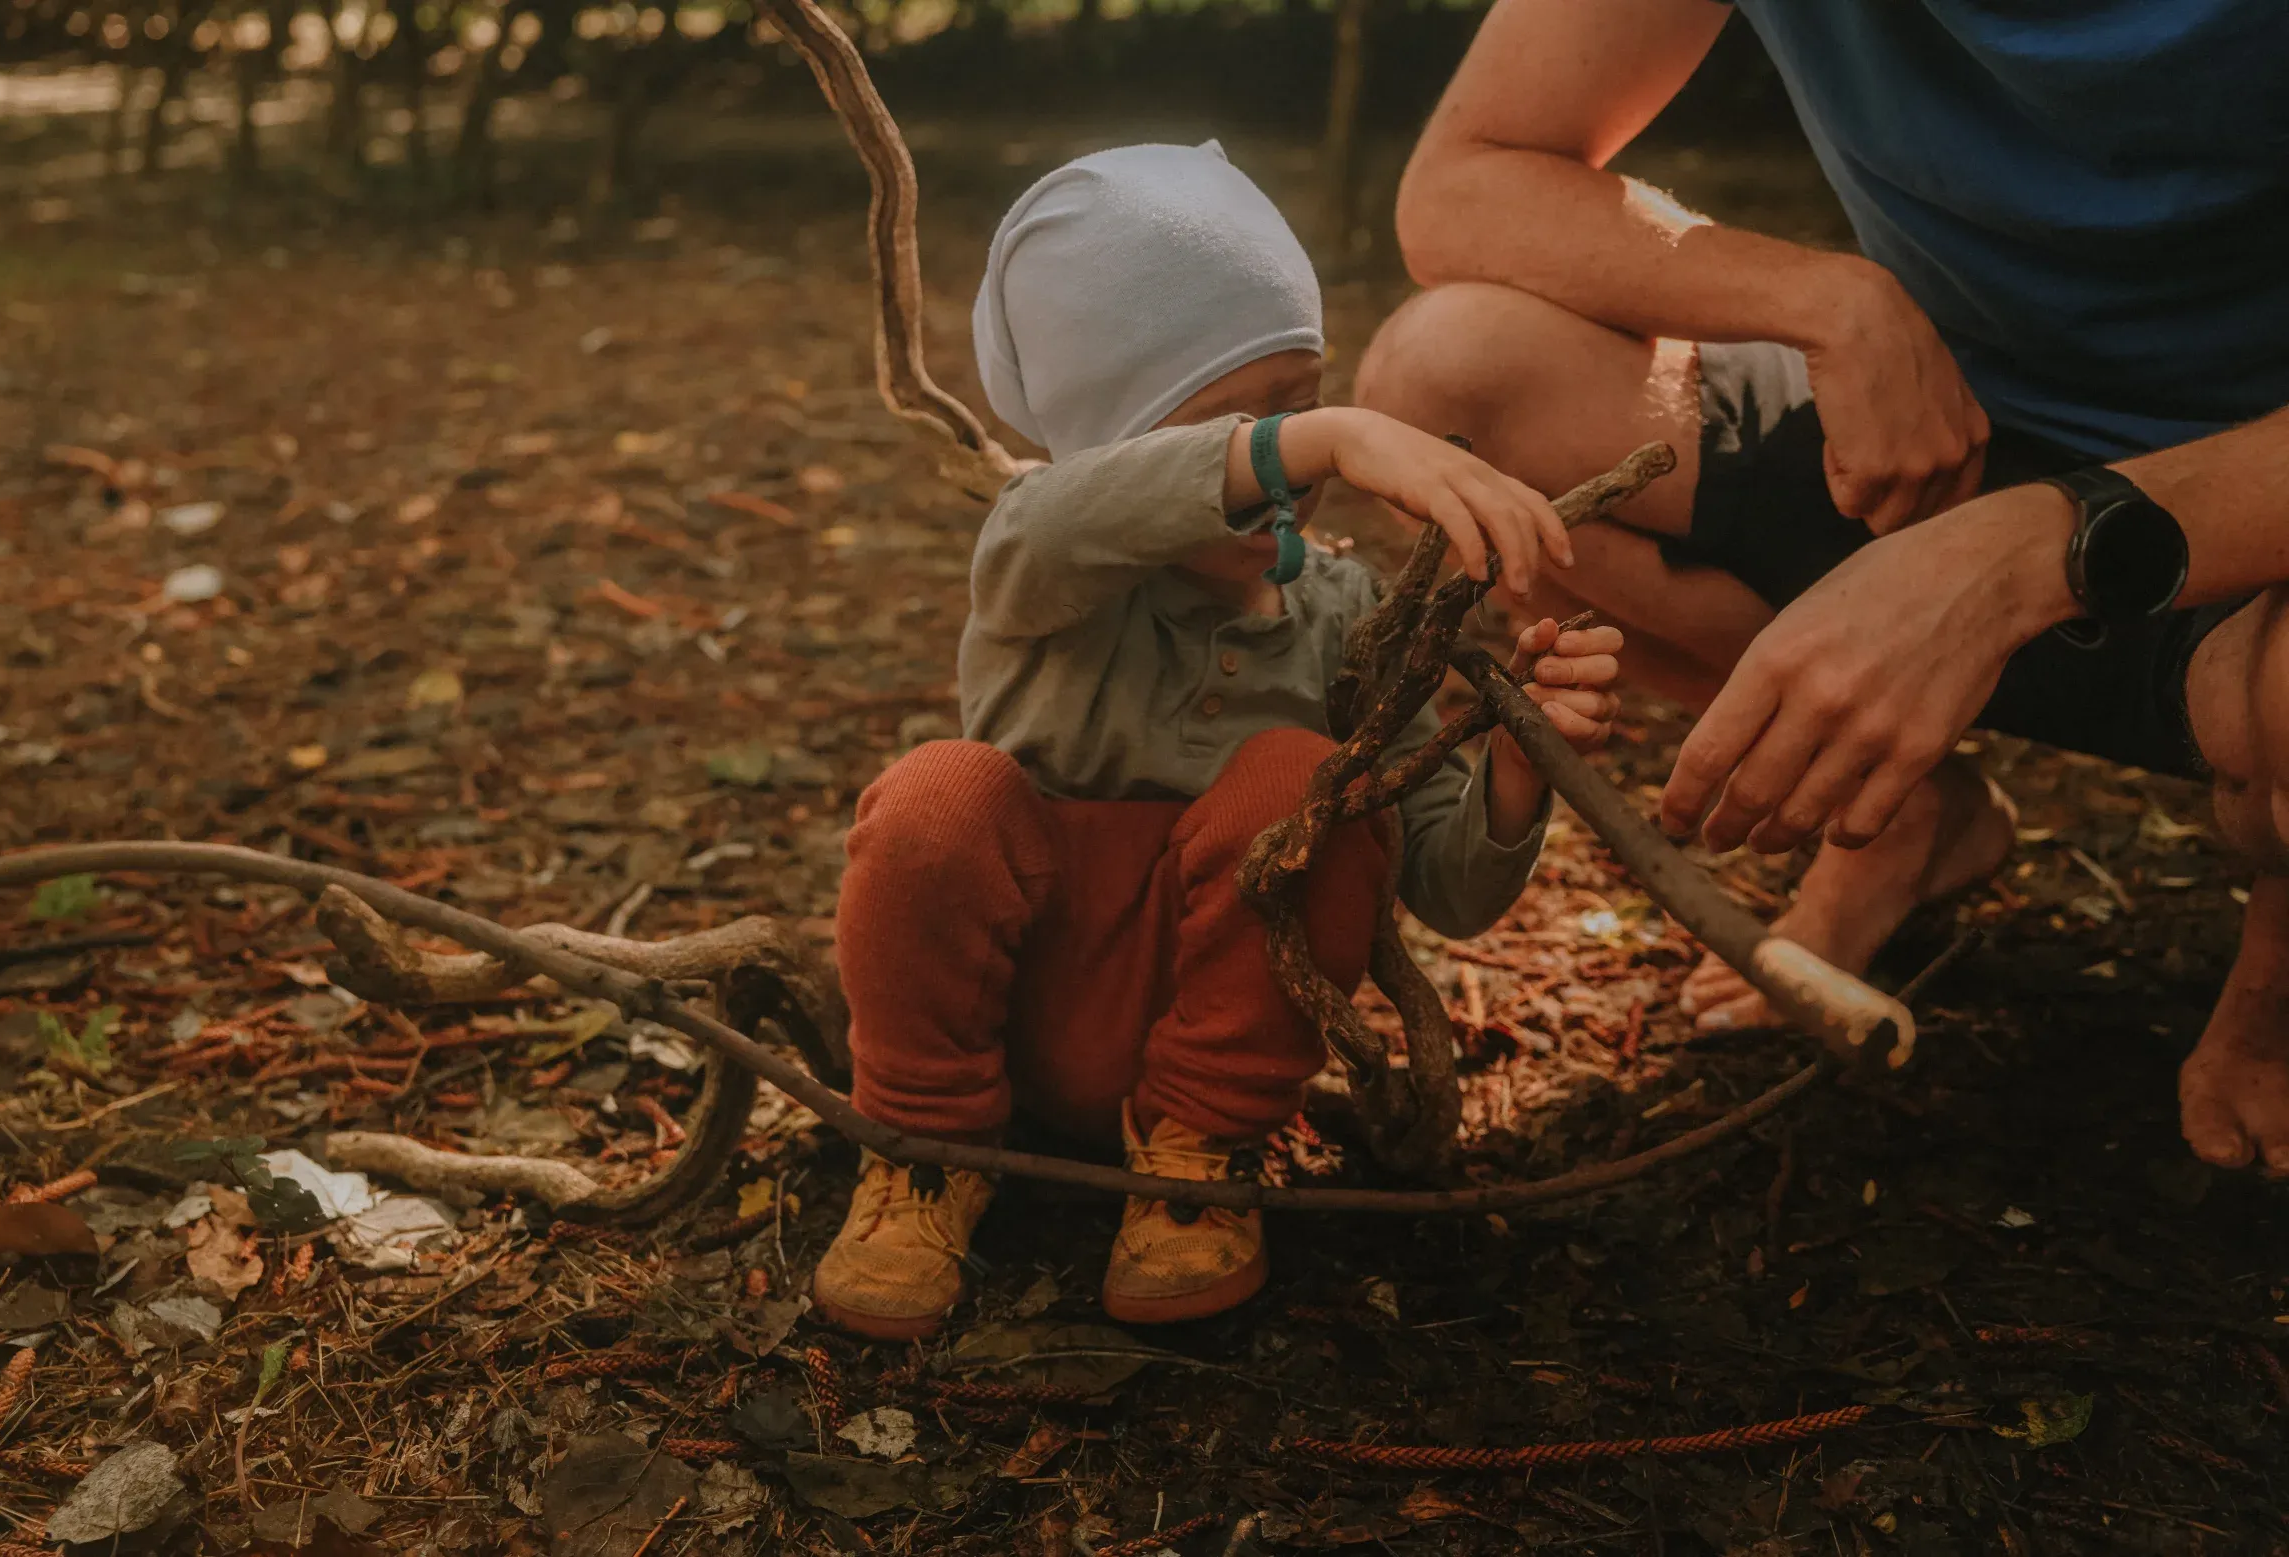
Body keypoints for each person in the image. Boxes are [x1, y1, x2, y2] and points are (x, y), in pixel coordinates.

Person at [1358, 0, 2289, 1172]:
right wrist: (1832, 305)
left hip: (2245, 503)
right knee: (1440, 388)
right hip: (1926, 435)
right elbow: (1462, 186)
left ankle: (2271, 993)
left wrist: (2027, 548)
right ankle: (1892, 816)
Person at [811, 142, 1626, 1340]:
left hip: (1208, 1066)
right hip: (1013, 1021)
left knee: (1308, 781)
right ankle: (924, 1152)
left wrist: (1516, 765)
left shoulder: (1345, 620)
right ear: (1123, 444)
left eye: (1301, 402)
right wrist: (1322, 439)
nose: (1293, 461)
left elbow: (1447, 887)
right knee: (938, 795)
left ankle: (1195, 1159)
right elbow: (1055, 519)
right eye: (1240, 428)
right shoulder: (1052, 574)